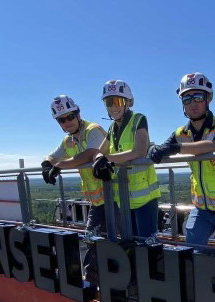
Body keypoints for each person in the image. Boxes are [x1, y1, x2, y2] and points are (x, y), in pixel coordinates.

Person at [149, 72, 215, 249]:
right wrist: (153, 150)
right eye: (187, 99)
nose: (193, 103)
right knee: (192, 248)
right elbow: (162, 148)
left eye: (198, 97)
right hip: (202, 208)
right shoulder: (181, 133)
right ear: (182, 104)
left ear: (208, 98)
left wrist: (177, 149)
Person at [92, 80, 160, 240]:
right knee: (129, 243)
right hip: (124, 198)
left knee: (147, 245)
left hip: (145, 199)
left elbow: (139, 151)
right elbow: (99, 152)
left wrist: (107, 159)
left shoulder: (138, 119)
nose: (113, 107)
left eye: (117, 101)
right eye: (109, 102)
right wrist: (99, 159)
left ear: (127, 102)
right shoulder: (112, 128)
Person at [42, 95, 110, 233]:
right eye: (62, 120)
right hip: (97, 202)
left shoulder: (93, 130)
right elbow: (52, 156)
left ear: (78, 114)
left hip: (114, 197)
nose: (67, 122)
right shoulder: (68, 140)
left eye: (70, 116)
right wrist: (46, 164)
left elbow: (90, 154)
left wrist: (60, 165)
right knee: (92, 240)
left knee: (118, 243)